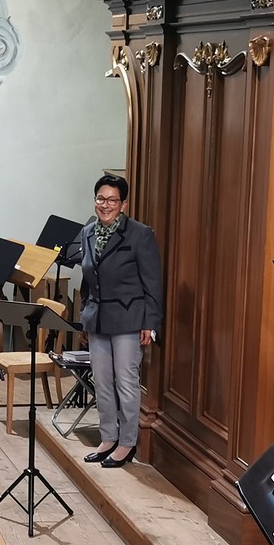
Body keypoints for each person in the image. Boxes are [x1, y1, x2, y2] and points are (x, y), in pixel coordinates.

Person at [70, 173, 163, 469]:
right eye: (101, 198)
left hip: (129, 320)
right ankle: (108, 437)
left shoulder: (140, 234)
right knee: (101, 382)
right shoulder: (87, 232)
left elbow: (152, 283)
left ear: (124, 204)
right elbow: (87, 280)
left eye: (112, 200)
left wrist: (150, 323)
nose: (105, 204)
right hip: (97, 319)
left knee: (126, 381)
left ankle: (127, 443)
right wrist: (85, 319)